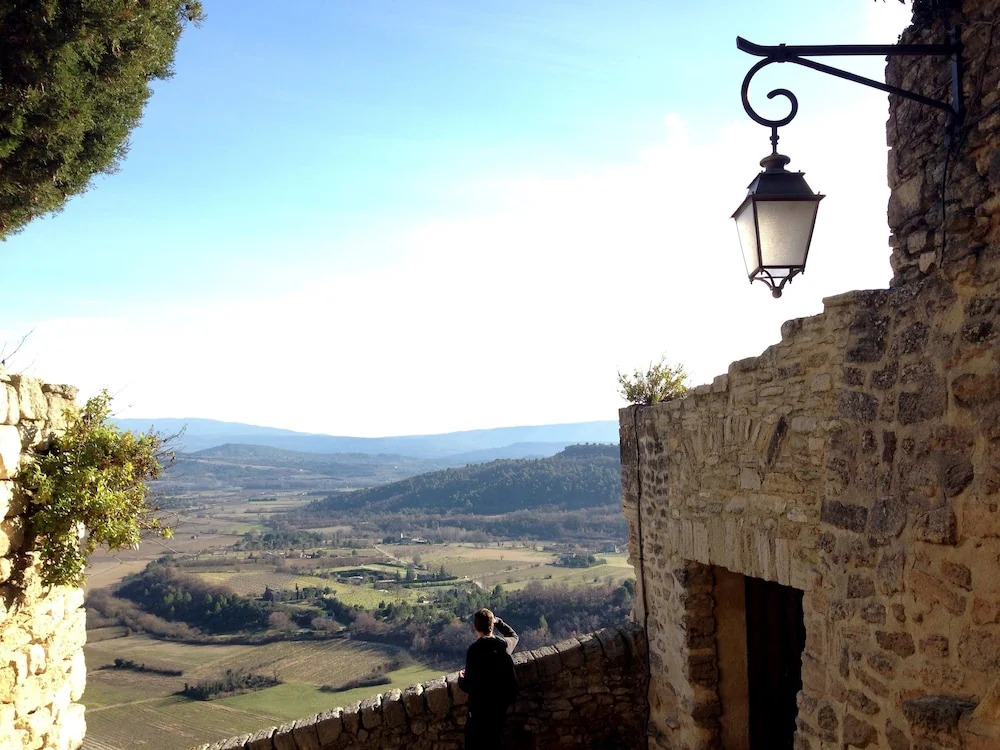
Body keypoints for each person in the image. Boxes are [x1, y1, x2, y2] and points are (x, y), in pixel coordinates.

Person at [457, 608, 519, 749]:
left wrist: (461, 678)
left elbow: (468, 685)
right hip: (499, 707)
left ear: (475, 627)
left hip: (479, 711)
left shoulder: (474, 650)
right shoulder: (503, 645)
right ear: (492, 625)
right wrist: (499, 622)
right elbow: (514, 636)